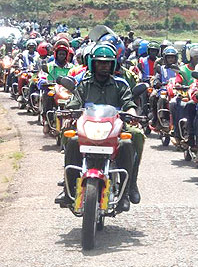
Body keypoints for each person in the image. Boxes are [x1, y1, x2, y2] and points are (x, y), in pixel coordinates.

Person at [55, 44, 144, 212]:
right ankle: (67, 190)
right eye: (100, 63)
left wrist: (132, 115)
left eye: (107, 63)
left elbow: (129, 103)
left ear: (113, 65)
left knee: (133, 137)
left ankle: (128, 188)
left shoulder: (120, 84)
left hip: (115, 129)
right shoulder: (84, 84)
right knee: (72, 139)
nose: (104, 66)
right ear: (92, 64)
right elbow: (75, 102)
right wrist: (68, 115)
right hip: (88, 128)